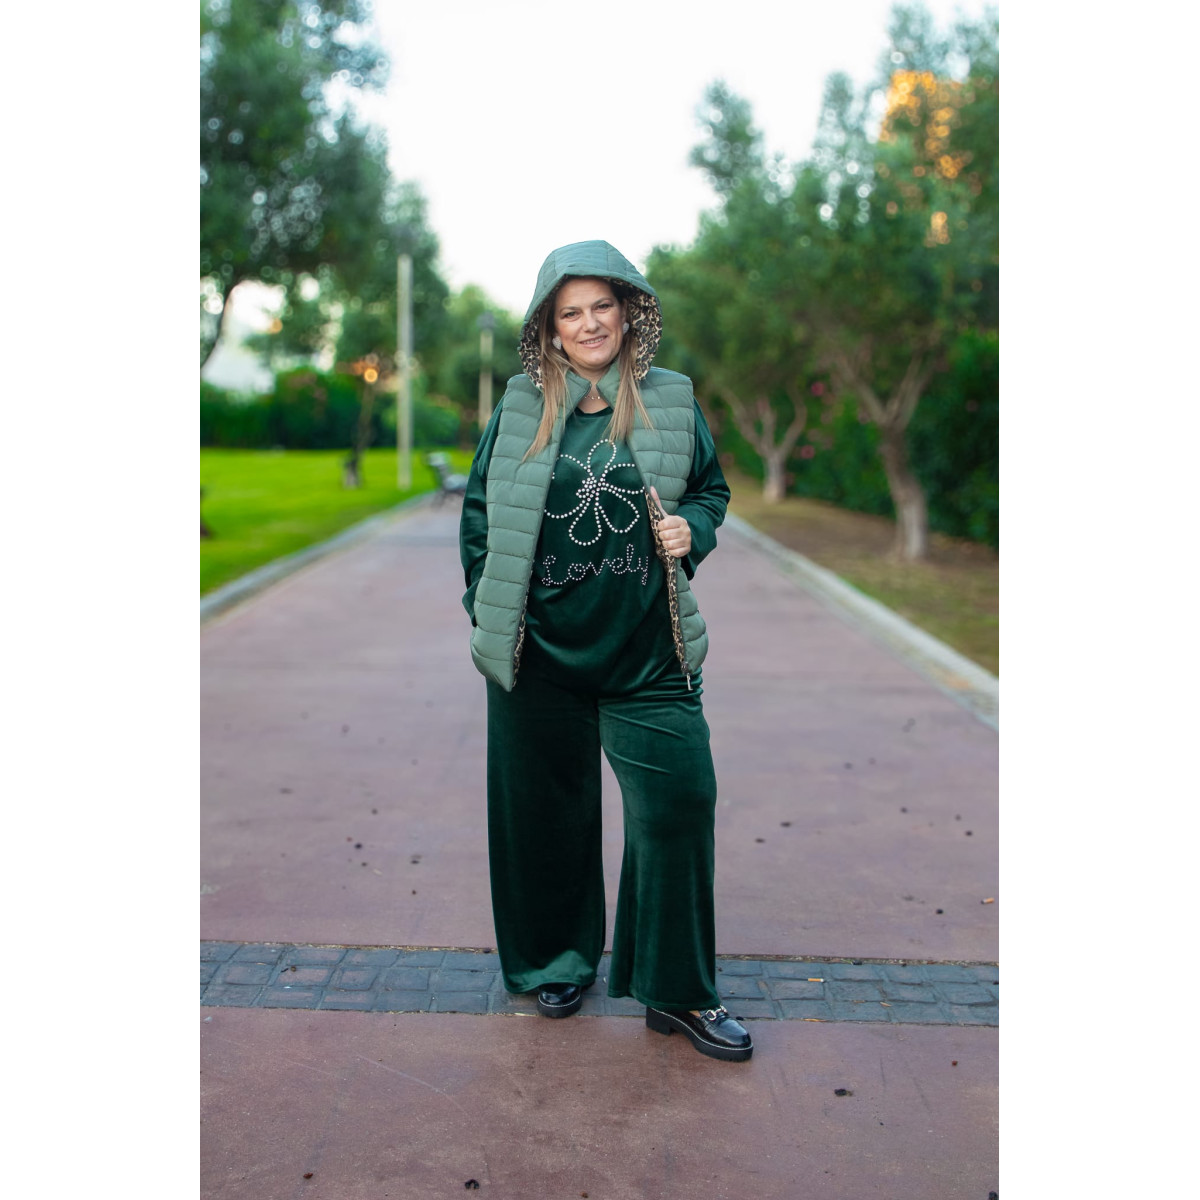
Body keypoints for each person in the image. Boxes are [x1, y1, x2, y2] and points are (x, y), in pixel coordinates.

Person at [459, 240, 752, 1063]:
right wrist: (485, 605)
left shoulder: (672, 399)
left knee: (679, 807)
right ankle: (558, 962)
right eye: (570, 313)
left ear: (629, 313)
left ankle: (679, 991)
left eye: (601, 307)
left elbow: (712, 490)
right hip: (538, 656)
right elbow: (480, 514)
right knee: (544, 818)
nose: (589, 324)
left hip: (647, 654)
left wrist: (693, 529)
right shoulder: (520, 407)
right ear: (549, 329)